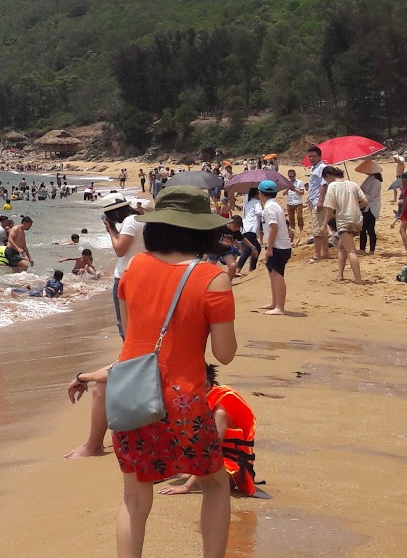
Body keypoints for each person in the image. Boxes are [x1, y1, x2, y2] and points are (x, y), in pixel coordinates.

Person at [65, 186, 238, 558]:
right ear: (203, 231)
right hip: (185, 401)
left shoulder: (135, 267)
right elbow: (224, 355)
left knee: (134, 499)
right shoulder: (213, 278)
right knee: (214, 486)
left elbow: (131, 341)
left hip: (133, 397)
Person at [66, 194, 146, 461]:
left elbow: (120, 250)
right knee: (133, 335)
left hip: (127, 277)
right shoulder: (143, 218)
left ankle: (94, 444)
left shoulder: (129, 223)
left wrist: (110, 229)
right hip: (142, 276)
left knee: (128, 334)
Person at [159, 365, 258, 497]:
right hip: (214, 459)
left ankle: (192, 478)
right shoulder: (200, 401)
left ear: (205, 384)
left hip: (232, 467)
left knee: (209, 477)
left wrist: (186, 486)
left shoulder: (219, 411)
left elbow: (210, 452)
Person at [320, 166, 367, 283]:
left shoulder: (332, 186)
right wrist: (355, 208)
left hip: (344, 221)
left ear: (328, 176)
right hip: (357, 219)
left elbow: (330, 209)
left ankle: (358, 279)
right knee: (341, 246)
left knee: (350, 250)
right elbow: (365, 201)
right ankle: (340, 275)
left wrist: (324, 225)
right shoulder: (352, 184)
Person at [255, 181, 292, 315]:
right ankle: (274, 302)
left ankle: (279, 307)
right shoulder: (275, 205)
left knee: (277, 275)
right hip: (280, 245)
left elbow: (274, 227)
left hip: (278, 246)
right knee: (272, 274)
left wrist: (269, 247)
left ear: (260, 193)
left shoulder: (270, 207)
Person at [306, 146, 330, 259]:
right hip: (314, 199)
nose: (311, 158)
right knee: (321, 228)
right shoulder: (314, 168)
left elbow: (323, 184)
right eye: (309, 156)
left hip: (318, 201)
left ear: (319, 156)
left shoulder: (321, 168)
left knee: (317, 228)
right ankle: (325, 253)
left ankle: (317, 254)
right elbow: (314, 185)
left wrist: (320, 200)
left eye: (314, 156)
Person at [359, 170, 382, 254]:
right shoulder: (367, 180)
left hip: (371, 207)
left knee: (370, 229)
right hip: (364, 205)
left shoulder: (376, 182)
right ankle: (362, 249)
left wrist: (361, 197)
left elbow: (371, 196)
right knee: (362, 229)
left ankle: (372, 250)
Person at [284, 168, 306, 236]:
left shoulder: (299, 182)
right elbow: (284, 193)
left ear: (295, 175)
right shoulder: (287, 182)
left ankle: (301, 230)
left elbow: (302, 192)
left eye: (292, 176)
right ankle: (293, 231)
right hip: (289, 202)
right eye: (290, 176)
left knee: (299, 217)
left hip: (298, 202)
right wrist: (288, 188)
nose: (291, 177)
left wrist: (294, 189)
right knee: (291, 218)